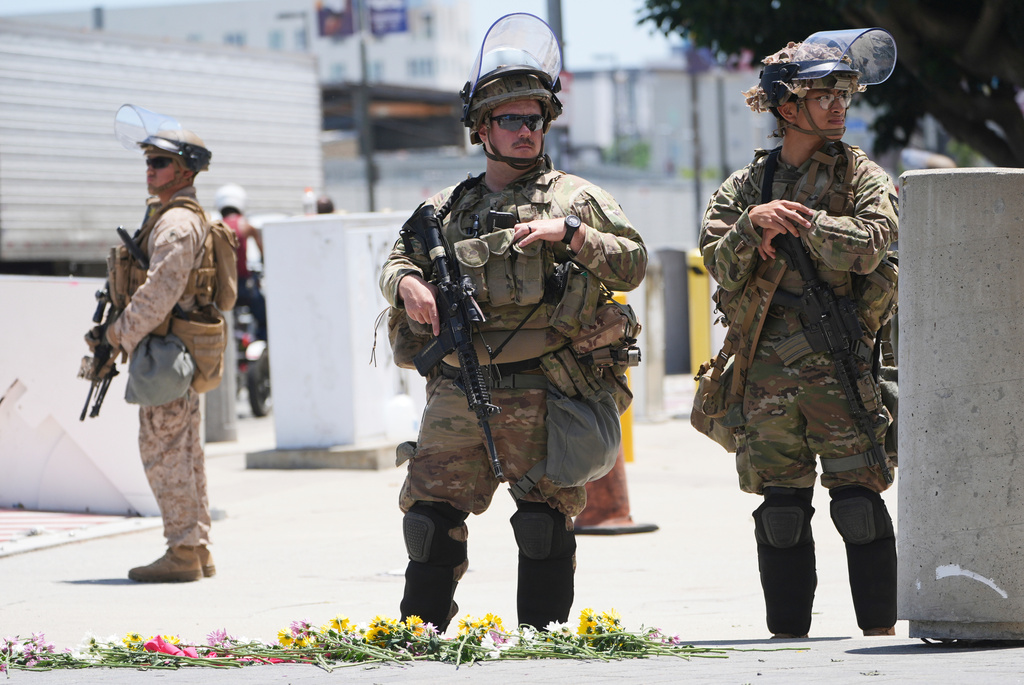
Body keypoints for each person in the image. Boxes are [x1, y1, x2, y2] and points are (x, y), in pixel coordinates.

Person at [379, 13, 647, 632]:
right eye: (509, 119)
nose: (526, 131)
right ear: (481, 128)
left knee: (543, 523)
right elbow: (395, 261)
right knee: (427, 521)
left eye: (534, 119)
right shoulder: (446, 209)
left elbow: (633, 264)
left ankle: (541, 648)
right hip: (458, 386)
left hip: (546, 383)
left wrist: (572, 234)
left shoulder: (575, 198)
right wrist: (409, 283)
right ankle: (419, 641)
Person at [700, 29, 900, 638]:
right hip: (764, 375)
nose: (840, 105)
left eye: (845, 92)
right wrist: (752, 225)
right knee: (781, 514)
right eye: (824, 94)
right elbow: (715, 258)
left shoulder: (861, 176)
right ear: (788, 107)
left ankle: (880, 638)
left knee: (860, 507)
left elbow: (873, 245)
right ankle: (787, 646)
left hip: (840, 367)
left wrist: (807, 224)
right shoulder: (746, 188)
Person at [97, 109, 219, 583]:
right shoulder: (175, 217)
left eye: (160, 163)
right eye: (147, 162)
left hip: (166, 353)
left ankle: (183, 549)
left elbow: (157, 294)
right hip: (174, 351)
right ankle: (197, 547)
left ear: (185, 170)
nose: (150, 171)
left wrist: (115, 334)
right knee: (184, 451)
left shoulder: (175, 224)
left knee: (164, 451)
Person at [215, 183, 267, 341]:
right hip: (244, 286)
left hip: (222, 288)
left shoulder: (216, 227)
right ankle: (262, 343)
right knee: (264, 317)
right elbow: (263, 251)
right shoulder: (245, 225)